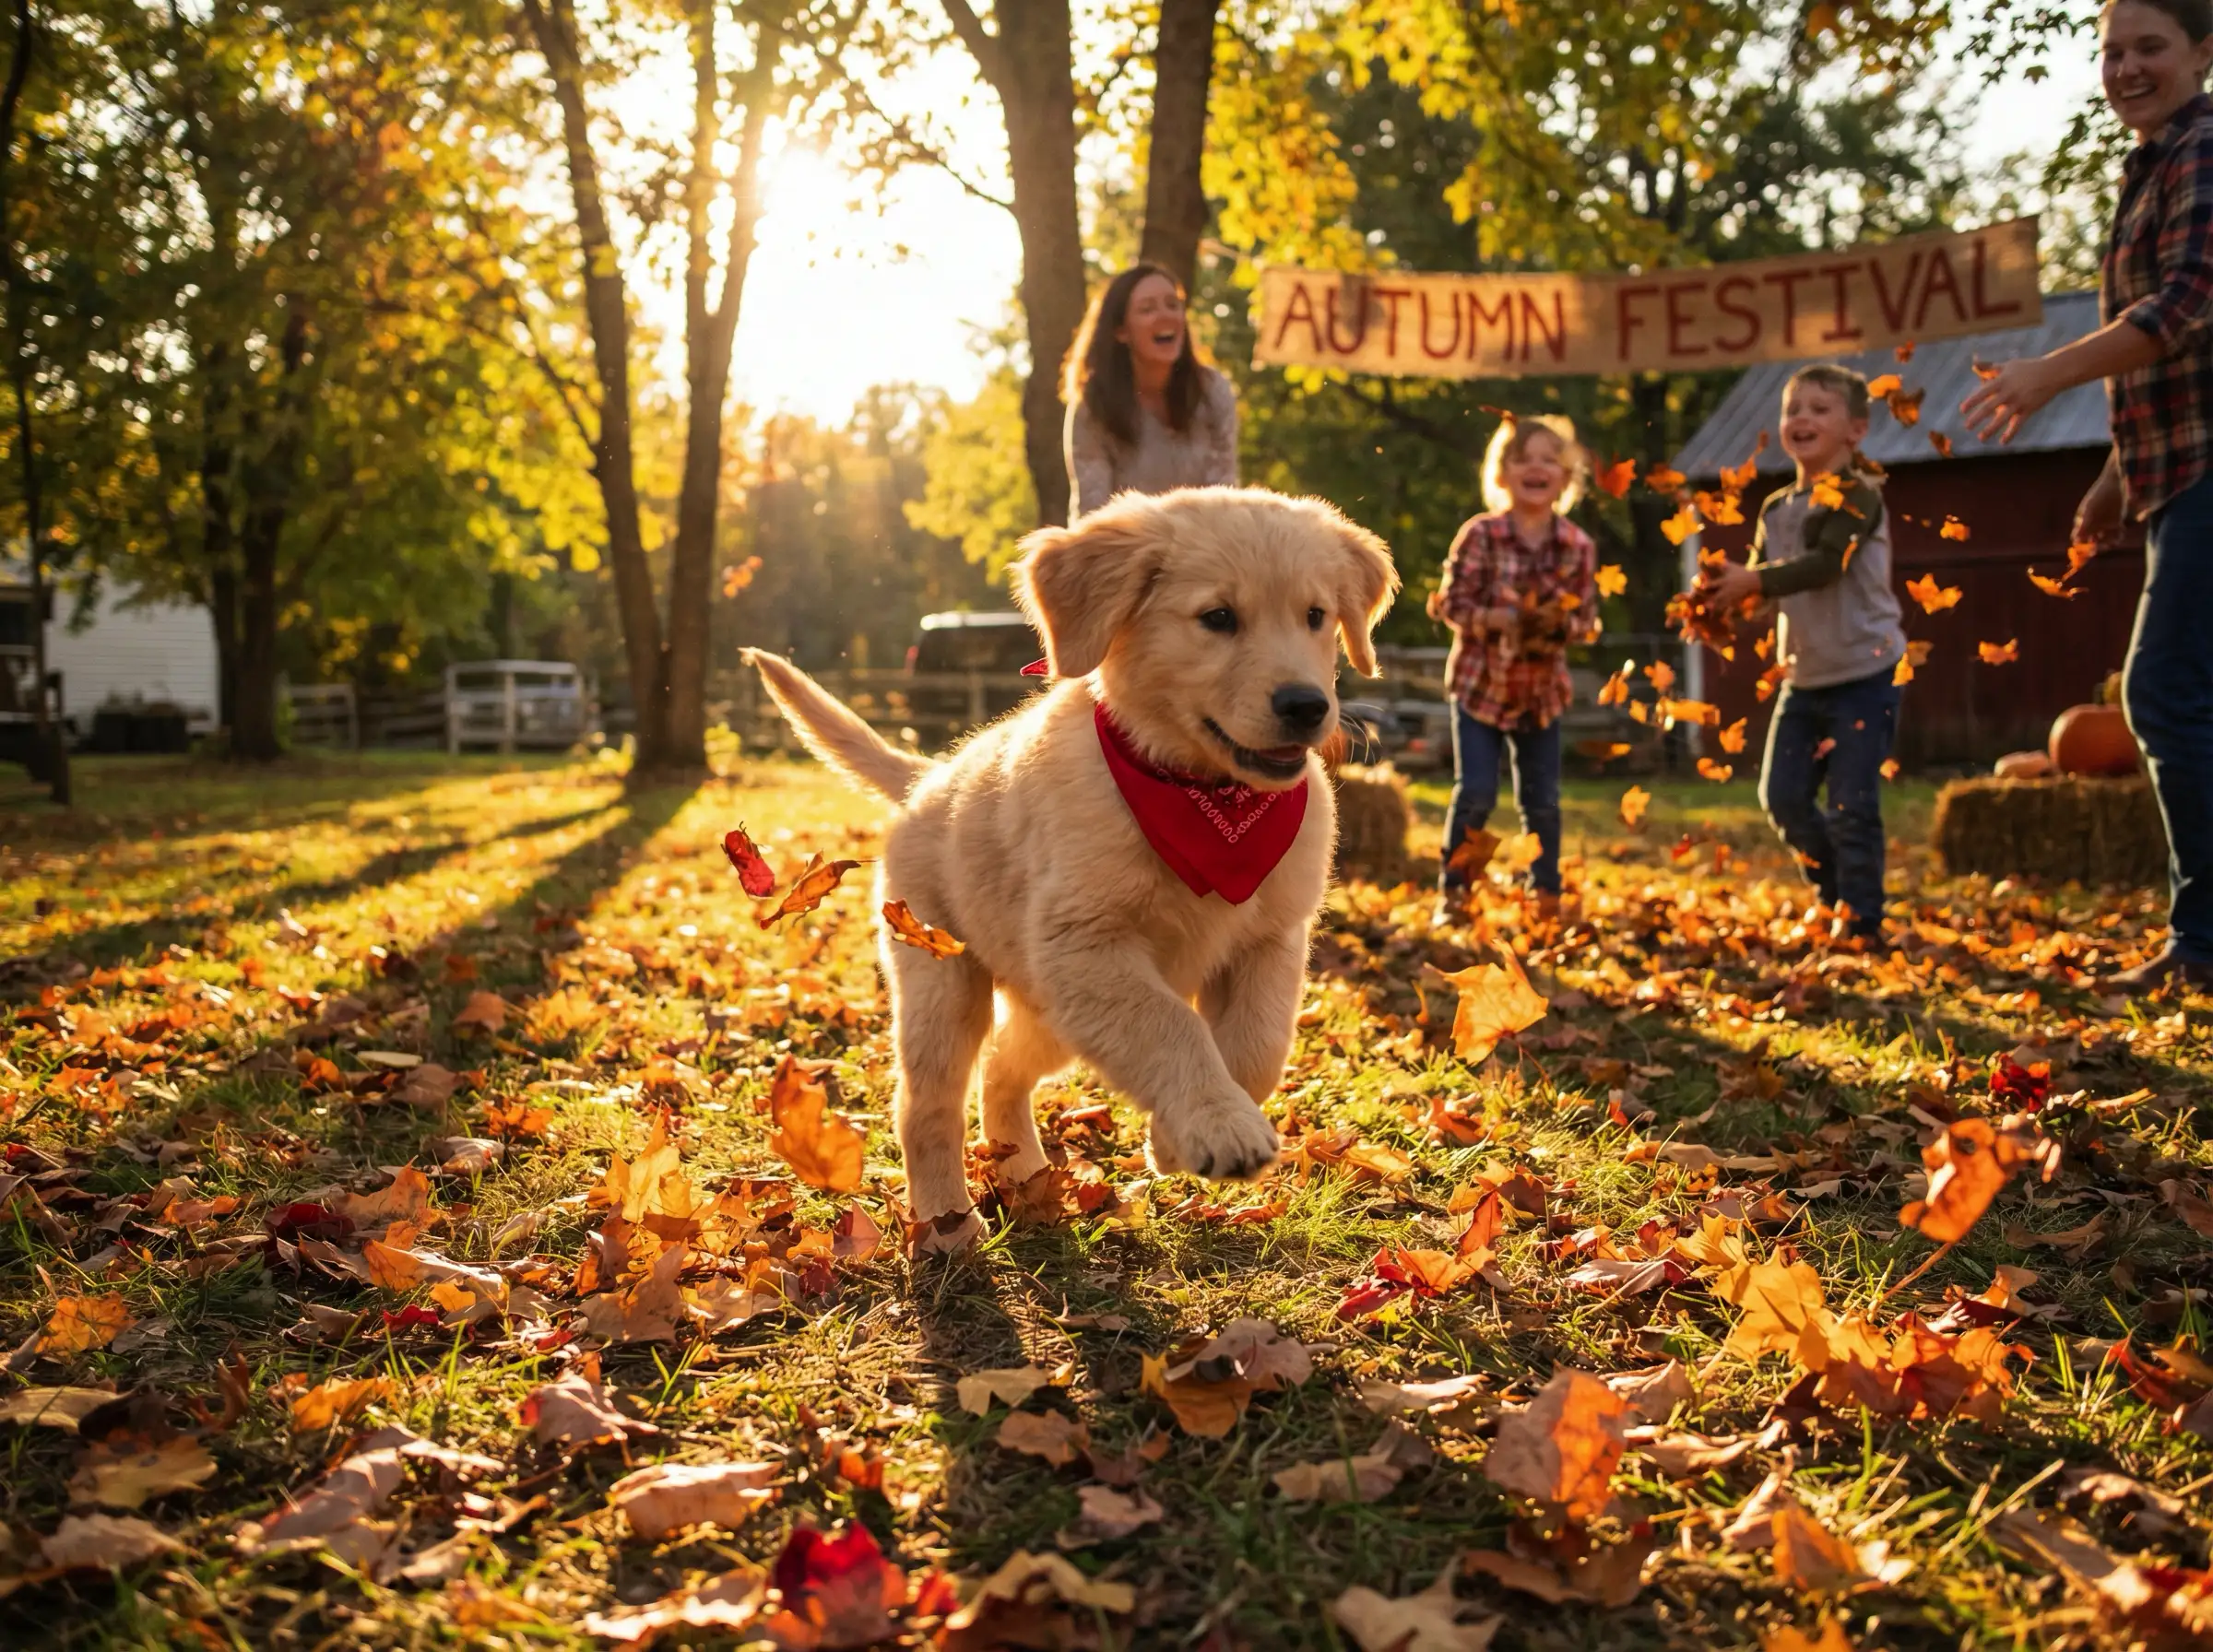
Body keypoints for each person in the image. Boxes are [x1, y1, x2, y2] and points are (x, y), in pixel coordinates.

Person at [1961, 0, 2213, 991]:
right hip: (2177, 469)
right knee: (2182, 692)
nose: (2126, 66)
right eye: (2111, 50)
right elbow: (2170, 370)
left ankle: (2202, 946)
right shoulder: (2150, 161)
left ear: (2202, 49)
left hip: (2207, 472)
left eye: (2149, 47)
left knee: (2162, 692)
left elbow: (2186, 306)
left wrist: (2042, 375)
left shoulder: (2201, 150)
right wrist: (2115, 476)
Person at [1700, 365, 1905, 942]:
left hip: (1867, 671)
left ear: (1856, 431)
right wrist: (1722, 602)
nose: (1802, 420)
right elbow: (1765, 592)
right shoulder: (1774, 509)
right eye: (1794, 410)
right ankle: (1833, 895)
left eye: (1820, 409)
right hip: (1806, 678)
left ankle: (1863, 923)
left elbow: (1824, 565)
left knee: (1850, 804)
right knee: (1783, 797)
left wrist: (1755, 583)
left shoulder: (1859, 496)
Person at [1429, 415, 1599, 907]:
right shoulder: (1481, 535)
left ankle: (1544, 891)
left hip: (1540, 691)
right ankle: (1455, 892)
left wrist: (1556, 624)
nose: (1536, 468)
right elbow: (1452, 604)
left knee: (1542, 801)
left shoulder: (1577, 546)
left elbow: (1585, 618)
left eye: (1550, 459)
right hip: (1481, 685)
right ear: (1502, 473)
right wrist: (1495, 618)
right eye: (1523, 459)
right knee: (1478, 790)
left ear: (1566, 478)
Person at [1063, 263, 1238, 519]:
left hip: (1204, 545)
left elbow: (1225, 497)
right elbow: (1093, 514)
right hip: (1127, 550)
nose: (1165, 315)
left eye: (1173, 304)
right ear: (1121, 331)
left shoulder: (1213, 391)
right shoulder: (1093, 407)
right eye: (1147, 309)